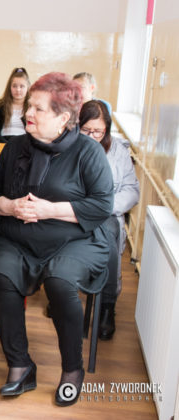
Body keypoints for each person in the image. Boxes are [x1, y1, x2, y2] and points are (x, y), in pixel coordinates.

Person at [0, 72, 113, 406]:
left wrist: (49, 210)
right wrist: (10, 206)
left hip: (75, 239)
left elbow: (102, 206)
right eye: (29, 105)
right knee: (2, 273)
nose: (28, 112)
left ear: (63, 118)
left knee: (60, 280)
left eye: (38, 108)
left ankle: (72, 369)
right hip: (19, 236)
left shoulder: (88, 152)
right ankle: (20, 365)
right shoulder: (15, 148)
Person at [79, 100, 139, 340]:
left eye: (98, 131)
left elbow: (131, 190)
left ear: (107, 129)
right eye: (86, 130)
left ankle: (107, 306)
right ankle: (61, 293)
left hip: (106, 214)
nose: (92, 136)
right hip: (74, 212)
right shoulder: (69, 147)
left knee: (108, 243)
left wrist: (106, 206)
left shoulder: (118, 151)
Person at [0, 67, 30, 142]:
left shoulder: (31, 106)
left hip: (25, 143)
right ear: (9, 87)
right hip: (3, 143)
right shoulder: (1, 105)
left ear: (27, 88)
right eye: (14, 86)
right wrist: (8, 145)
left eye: (22, 86)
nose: (18, 90)